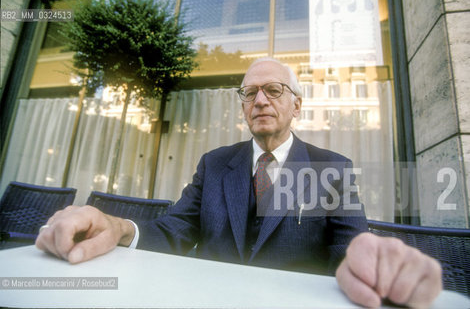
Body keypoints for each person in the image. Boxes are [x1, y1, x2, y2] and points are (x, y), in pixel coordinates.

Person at [36, 58, 442, 308]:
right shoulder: (215, 164)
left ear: (296, 105)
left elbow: (347, 251)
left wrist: (375, 267)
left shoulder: (331, 168)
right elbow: (174, 230)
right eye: (249, 93)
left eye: (273, 90)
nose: (260, 100)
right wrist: (121, 227)